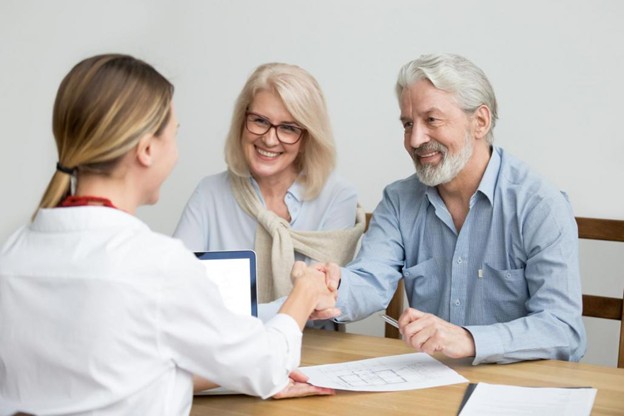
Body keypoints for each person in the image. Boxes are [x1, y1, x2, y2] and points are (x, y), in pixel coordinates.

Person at [0, 54, 339, 415]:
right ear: (147, 149)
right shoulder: (157, 265)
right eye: (174, 135)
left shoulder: (13, 252)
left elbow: (113, 376)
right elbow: (267, 368)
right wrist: (303, 293)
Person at [328, 53, 586, 364]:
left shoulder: (540, 205)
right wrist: (330, 286)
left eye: (431, 120)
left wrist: (469, 339)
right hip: (431, 384)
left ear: (480, 122)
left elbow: (563, 329)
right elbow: (370, 281)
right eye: (408, 123)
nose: (415, 138)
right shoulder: (398, 200)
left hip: (521, 389)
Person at [173, 62, 365, 321]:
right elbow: (177, 290)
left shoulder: (337, 197)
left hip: (313, 351)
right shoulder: (210, 193)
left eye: (288, 128)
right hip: (226, 346)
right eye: (260, 121)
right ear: (243, 121)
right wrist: (296, 304)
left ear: (308, 136)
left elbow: (322, 303)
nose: (269, 139)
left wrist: (230, 311)